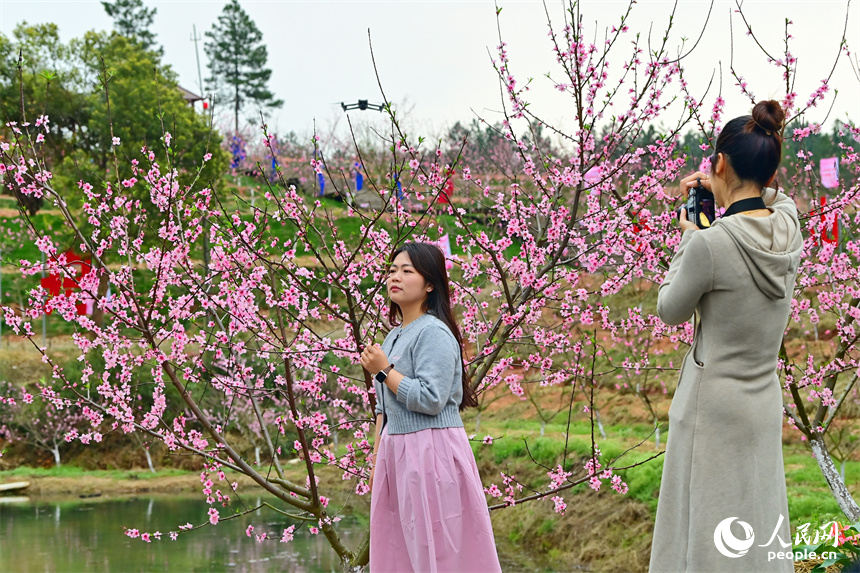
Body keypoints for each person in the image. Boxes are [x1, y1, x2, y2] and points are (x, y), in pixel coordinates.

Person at [649, 100, 802, 572]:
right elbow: (771, 199)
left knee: (706, 525)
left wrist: (688, 234)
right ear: (771, 170)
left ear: (718, 163)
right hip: (760, 400)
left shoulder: (708, 243)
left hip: (711, 406)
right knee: (754, 517)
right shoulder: (789, 225)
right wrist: (729, 189)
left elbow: (669, 310)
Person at [360, 242, 502, 573]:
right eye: (392, 270)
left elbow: (431, 398)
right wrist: (377, 459)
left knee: (438, 550)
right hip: (397, 454)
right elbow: (384, 409)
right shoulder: (393, 336)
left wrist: (384, 370)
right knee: (400, 550)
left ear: (430, 284)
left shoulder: (435, 333)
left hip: (430, 452)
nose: (395, 276)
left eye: (407, 271)